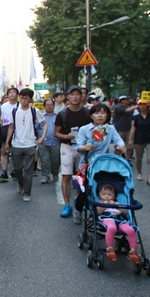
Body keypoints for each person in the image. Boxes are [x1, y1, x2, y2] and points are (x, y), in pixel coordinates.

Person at [55, 85, 91, 218]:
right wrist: (66, 136)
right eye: (72, 94)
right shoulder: (62, 114)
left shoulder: (88, 113)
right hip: (67, 146)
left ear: (82, 96)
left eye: (78, 94)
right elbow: (56, 132)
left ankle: (78, 200)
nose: (75, 97)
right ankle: (66, 204)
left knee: (81, 176)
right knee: (66, 175)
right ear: (68, 97)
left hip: (83, 148)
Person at [4, 88, 47, 202]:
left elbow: (45, 123)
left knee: (28, 170)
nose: (23, 100)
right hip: (16, 144)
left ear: (30, 99)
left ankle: (27, 192)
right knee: (17, 169)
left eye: (26, 98)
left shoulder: (34, 111)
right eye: (22, 98)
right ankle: (21, 183)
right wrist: (7, 142)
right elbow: (11, 127)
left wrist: (42, 137)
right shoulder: (14, 111)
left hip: (30, 144)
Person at [96, 183, 141, 264]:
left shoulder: (116, 203)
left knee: (130, 230)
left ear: (114, 195)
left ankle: (133, 251)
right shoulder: (100, 203)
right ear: (99, 195)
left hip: (119, 220)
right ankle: (110, 248)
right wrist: (104, 205)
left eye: (110, 194)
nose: (106, 196)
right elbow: (98, 212)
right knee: (112, 228)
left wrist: (118, 206)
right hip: (107, 219)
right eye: (103, 194)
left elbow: (125, 212)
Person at [75, 104, 126, 169]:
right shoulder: (84, 129)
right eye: (96, 113)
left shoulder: (110, 128)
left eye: (103, 113)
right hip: (87, 164)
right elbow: (78, 146)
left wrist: (121, 146)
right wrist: (85, 147)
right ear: (91, 116)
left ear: (107, 115)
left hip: (105, 164)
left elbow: (118, 140)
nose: (99, 115)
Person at [129, 99, 150, 187]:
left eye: (144, 104)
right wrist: (130, 140)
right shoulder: (136, 117)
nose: (142, 106)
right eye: (140, 104)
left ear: (147, 105)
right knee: (138, 158)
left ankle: (149, 177)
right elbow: (133, 128)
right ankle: (139, 173)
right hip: (138, 139)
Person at [0, 87, 19, 181]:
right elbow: (1, 120)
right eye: (10, 92)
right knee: (4, 151)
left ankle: (15, 171)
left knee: (15, 153)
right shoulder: (3, 106)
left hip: (17, 130)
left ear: (17, 95)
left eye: (14, 92)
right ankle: (4, 172)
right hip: (5, 129)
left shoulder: (20, 105)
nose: (12, 94)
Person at [38, 98, 60, 184]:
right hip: (44, 142)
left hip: (55, 142)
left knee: (55, 160)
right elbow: (37, 128)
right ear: (44, 106)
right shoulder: (40, 117)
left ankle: (55, 174)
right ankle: (45, 176)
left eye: (51, 105)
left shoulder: (58, 116)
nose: (50, 107)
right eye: (47, 105)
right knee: (45, 160)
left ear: (54, 106)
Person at [112, 95, 138, 161]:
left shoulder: (129, 107)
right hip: (120, 129)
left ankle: (127, 158)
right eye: (126, 100)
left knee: (130, 145)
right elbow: (127, 110)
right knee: (119, 145)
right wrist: (137, 105)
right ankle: (117, 157)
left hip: (129, 128)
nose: (128, 101)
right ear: (122, 101)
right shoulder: (117, 107)